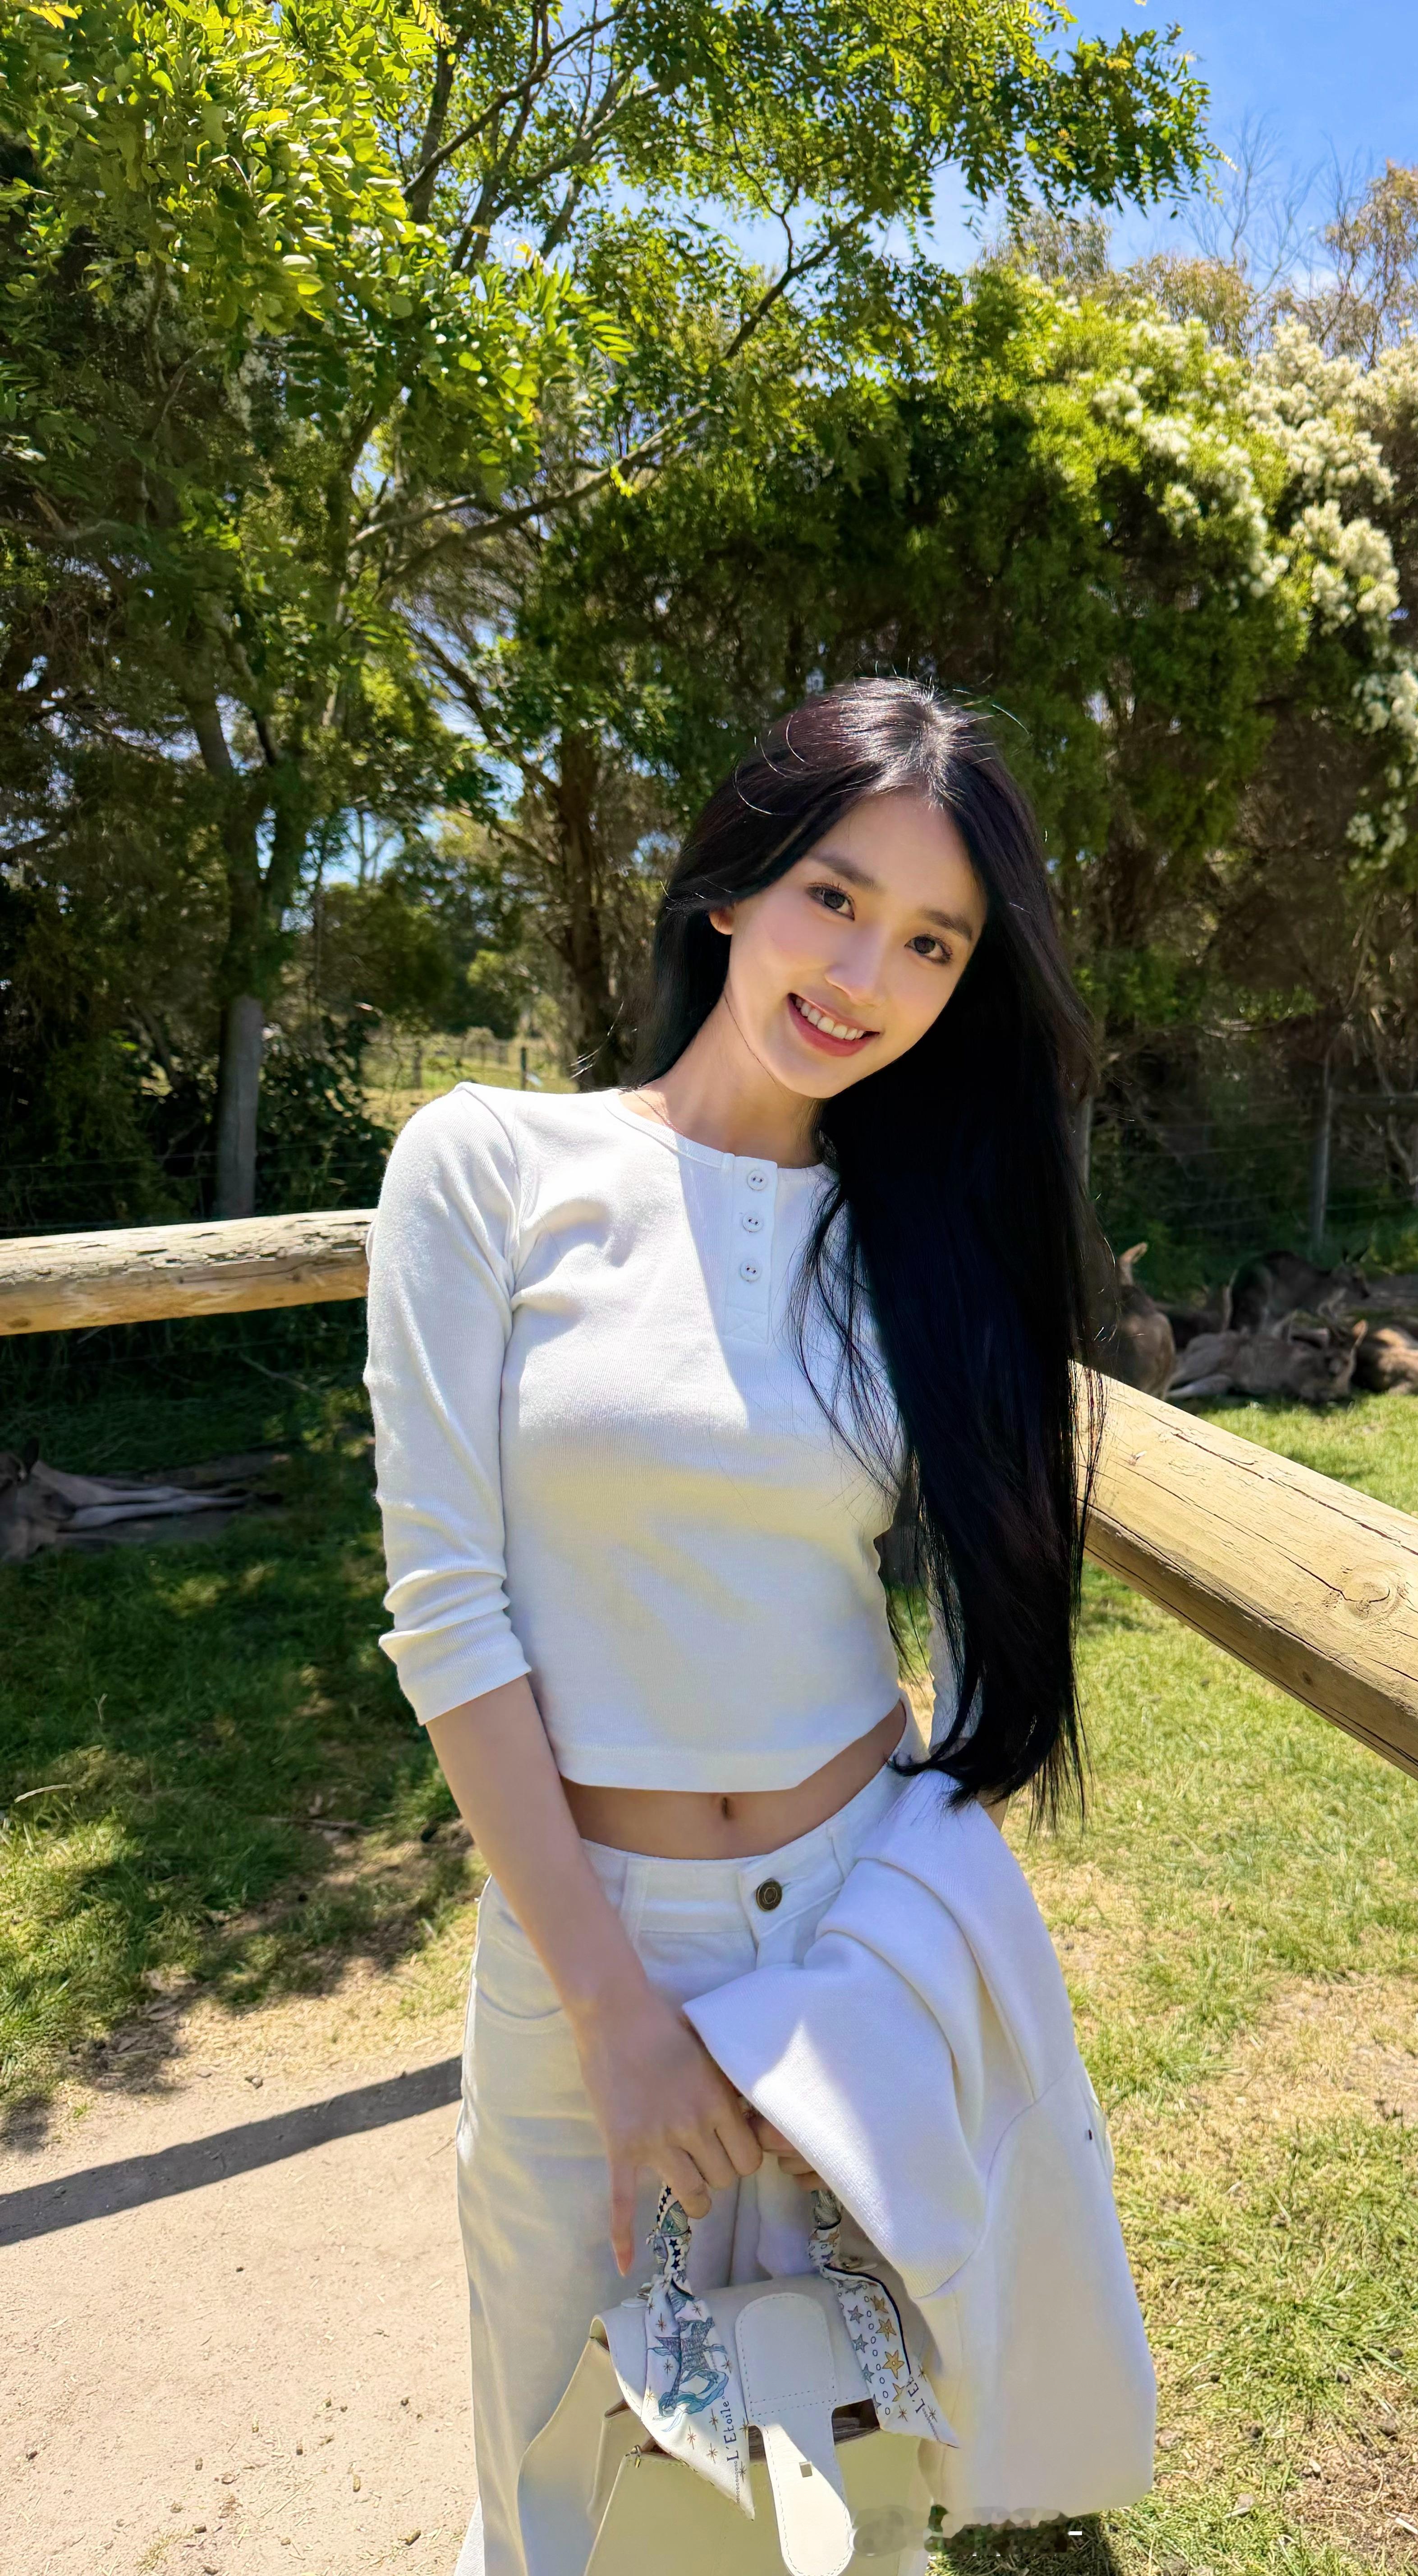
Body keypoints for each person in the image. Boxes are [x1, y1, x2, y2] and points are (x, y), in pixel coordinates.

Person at [363, 681, 1106, 2574]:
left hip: (855, 1934)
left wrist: (882, 1943)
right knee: (566, 2480)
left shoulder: (917, 1238)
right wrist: (616, 2019)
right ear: (730, 887)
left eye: (932, 942)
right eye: (833, 899)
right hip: (592, 1944)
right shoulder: (488, 1163)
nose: (864, 975)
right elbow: (448, 1613)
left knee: (847, 2471)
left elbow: (974, 1602)